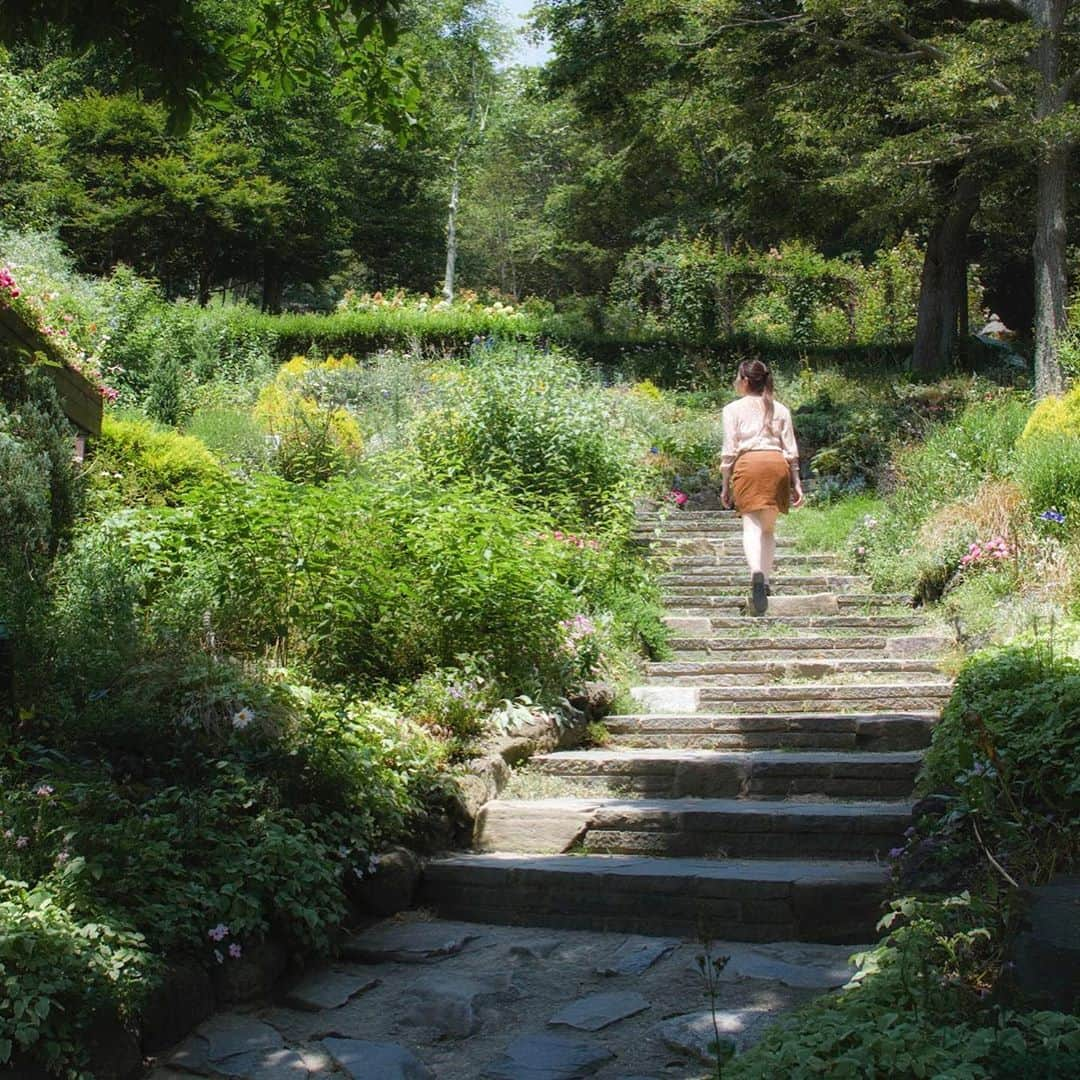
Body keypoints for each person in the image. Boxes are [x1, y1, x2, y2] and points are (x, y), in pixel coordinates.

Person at [719, 359, 803, 615]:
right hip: (776, 465)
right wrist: (796, 482)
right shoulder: (780, 409)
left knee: (751, 525)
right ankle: (765, 581)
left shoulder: (732, 410)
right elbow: (791, 451)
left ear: (745, 381)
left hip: (749, 464)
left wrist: (725, 485)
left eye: (737, 377)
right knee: (768, 528)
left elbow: (729, 451)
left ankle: (755, 570)